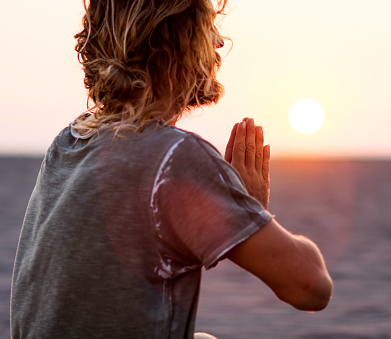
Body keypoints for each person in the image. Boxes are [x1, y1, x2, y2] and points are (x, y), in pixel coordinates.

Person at [10, 0, 333, 338]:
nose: (220, 43)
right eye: (209, 27)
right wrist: (253, 207)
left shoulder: (68, 143)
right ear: (182, 41)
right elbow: (311, 287)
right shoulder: (174, 155)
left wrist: (237, 218)